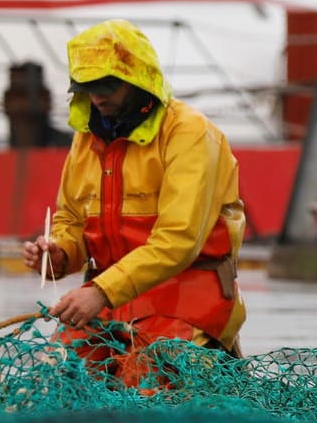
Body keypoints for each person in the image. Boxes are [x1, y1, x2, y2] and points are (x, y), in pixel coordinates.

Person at [21, 19, 247, 387]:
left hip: (185, 303)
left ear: (139, 80)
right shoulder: (86, 139)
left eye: (107, 86)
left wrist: (100, 291)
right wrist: (59, 254)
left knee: (146, 384)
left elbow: (178, 240)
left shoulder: (188, 133)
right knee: (54, 380)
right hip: (106, 306)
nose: (97, 97)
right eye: (87, 87)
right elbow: (72, 220)